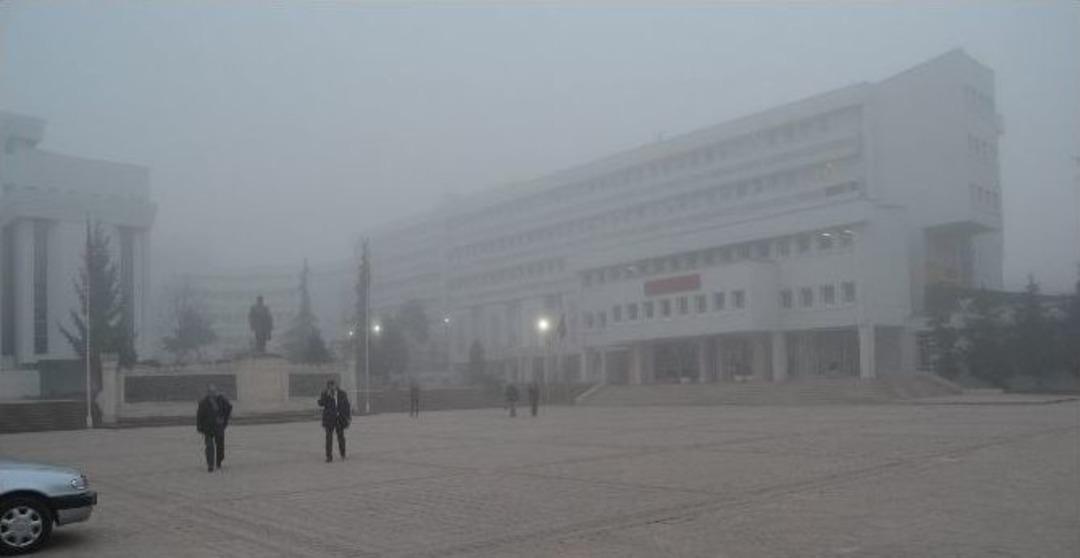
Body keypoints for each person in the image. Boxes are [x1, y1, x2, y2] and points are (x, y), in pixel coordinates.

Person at [196, 384, 232, 473]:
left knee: (220, 446)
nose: (212, 393)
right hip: (208, 428)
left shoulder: (221, 400)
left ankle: (219, 461)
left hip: (219, 427)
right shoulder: (203, 403)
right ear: (208, 393)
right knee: (209, 447)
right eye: (211, 392)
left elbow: (229, 408)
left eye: (214, 391)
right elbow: (199, 416)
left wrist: (224, 419)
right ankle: (210, 465)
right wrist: (199, 427)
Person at [318, 379, 351, 462]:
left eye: (333, 385)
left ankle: (343, 454)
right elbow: (321, 403)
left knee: (341, 437)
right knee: (328, 438)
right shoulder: (325, 393)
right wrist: (327, 396)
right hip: (329, 419)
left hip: (339, 418)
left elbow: (347, 405)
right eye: (330, 385)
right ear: (328, 386)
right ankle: (329, 457)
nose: (332, 387)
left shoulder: (342, 393)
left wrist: (348, 417)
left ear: (336, 385)